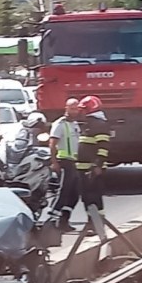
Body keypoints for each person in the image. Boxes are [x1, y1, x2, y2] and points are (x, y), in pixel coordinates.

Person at [76, 95, 112, 228]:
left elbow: (103, 147)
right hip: (83, 168)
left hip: (91, 168)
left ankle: (98, 224)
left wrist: (97, 165)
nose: (81, 112)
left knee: (94, 196)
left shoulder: (99, 125)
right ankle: (92, 222)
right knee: (86, 197)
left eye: (83, 109)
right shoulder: (89, 123)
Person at [46, 98, 81, 232]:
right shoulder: (59, 124)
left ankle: (64, 221)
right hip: (64, 161)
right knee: (63, 191)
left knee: (74, 194)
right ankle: (51, 220)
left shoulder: (75, 124)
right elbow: (52, 144)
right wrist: (54, 162)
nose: (75, 111)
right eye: (72, 108)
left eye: (76, 108)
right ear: (66, 108)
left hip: (74, 162)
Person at [2, 111, 49, 176]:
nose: (39, 127)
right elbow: (18, 149)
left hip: (24, 162)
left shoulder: (29, 131)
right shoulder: (23, 132)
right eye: (39, 125)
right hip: (16, 164)